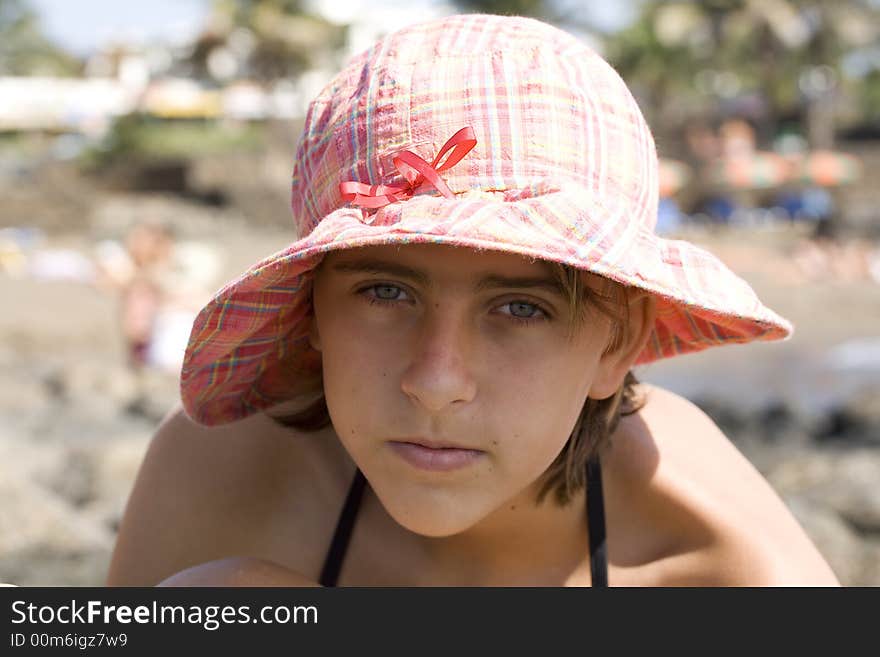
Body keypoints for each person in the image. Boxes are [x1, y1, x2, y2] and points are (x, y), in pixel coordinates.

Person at [106, 14, 839, 587]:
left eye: (521, 307)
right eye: (385, 290)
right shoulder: (222, 479)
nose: (435, 379)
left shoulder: (726, 571)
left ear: (616, 342)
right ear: (312, 311)